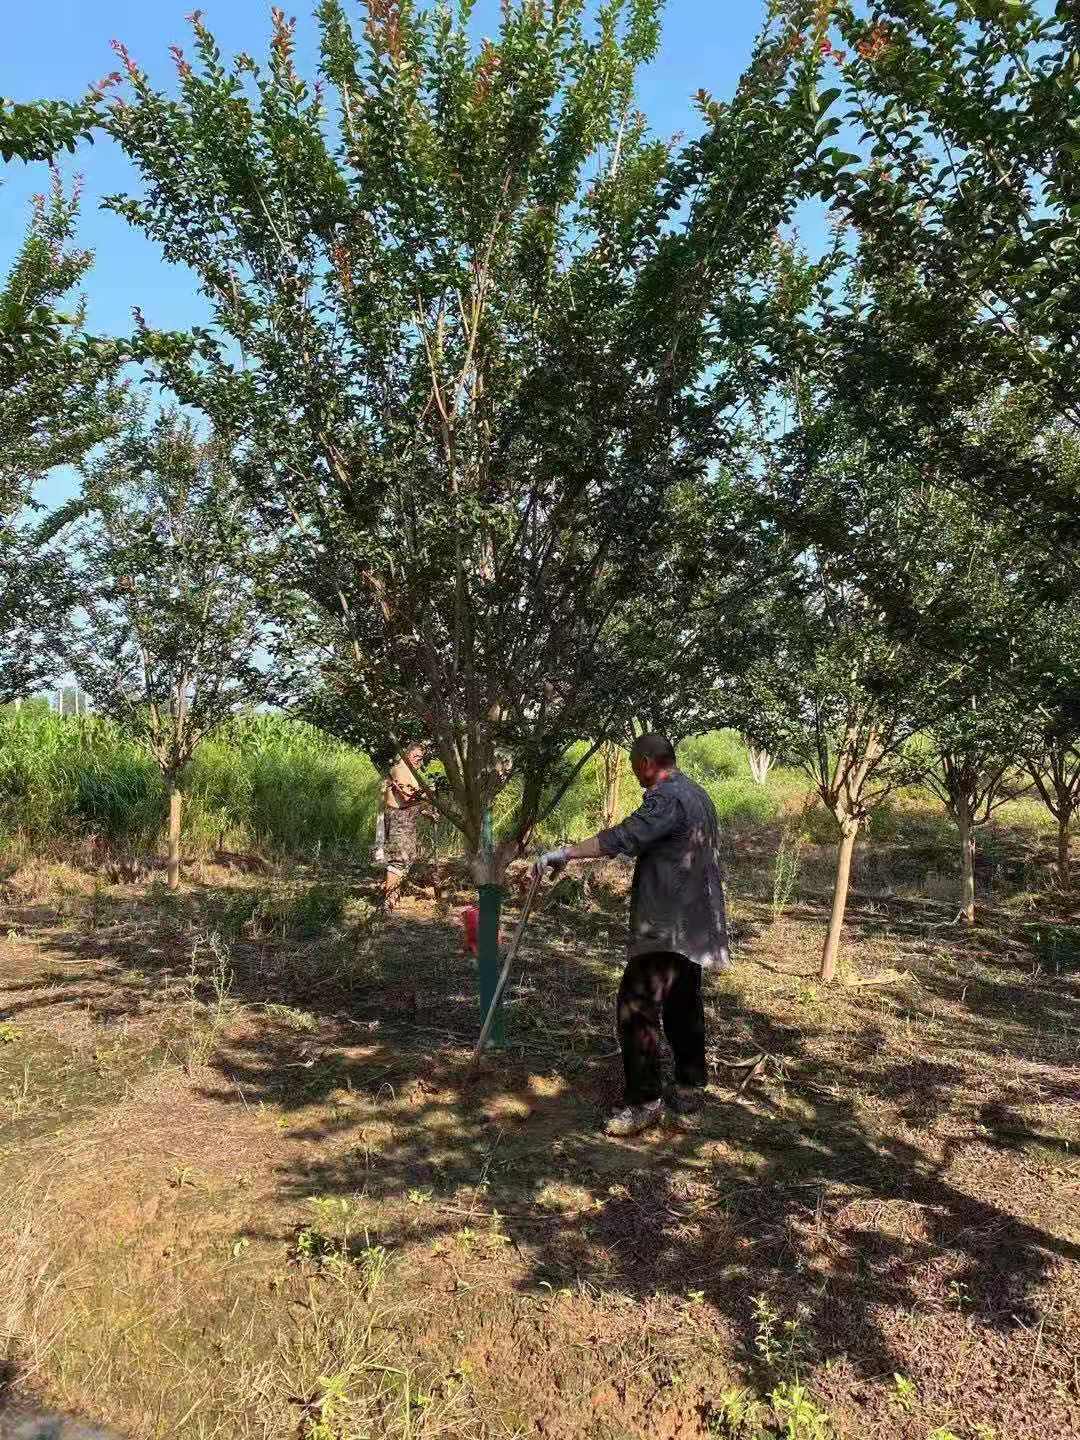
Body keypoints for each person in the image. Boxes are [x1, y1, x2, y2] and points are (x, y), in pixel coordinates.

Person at [533, 733, 730, 1137]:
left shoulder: (667, 798)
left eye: (633, 766)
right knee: (683, 1005)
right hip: (693, 923)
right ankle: (689, 1094)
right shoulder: (697, 793)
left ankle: (644, 1101)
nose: (633, 773)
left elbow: (624, 836)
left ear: (645, 763)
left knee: (636, 1008)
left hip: (666, 924)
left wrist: (565, 853)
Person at [382, 743, 427, 911]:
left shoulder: (412, 771)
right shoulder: (399, 769)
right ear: (407, 755)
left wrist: (427, 810)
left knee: (406, 858)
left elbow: (415, 798)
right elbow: (407, 797)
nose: (419, 760)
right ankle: (389, 902)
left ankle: (394, 898)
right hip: (398, 819)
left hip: (407, 820)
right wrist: (427, 794)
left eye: (421, 757)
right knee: (398, 860)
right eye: (416, 756)